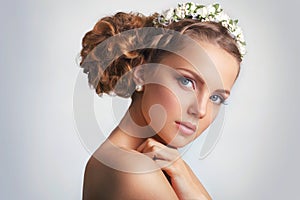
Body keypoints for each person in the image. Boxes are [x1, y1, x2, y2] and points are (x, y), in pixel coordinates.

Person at [79, 2, 246, 199]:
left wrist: (182, 171)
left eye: (216, 98)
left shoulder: (126, 161)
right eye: (187, 81)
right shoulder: (134, 170)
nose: (200, 110)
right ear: (143, 72)